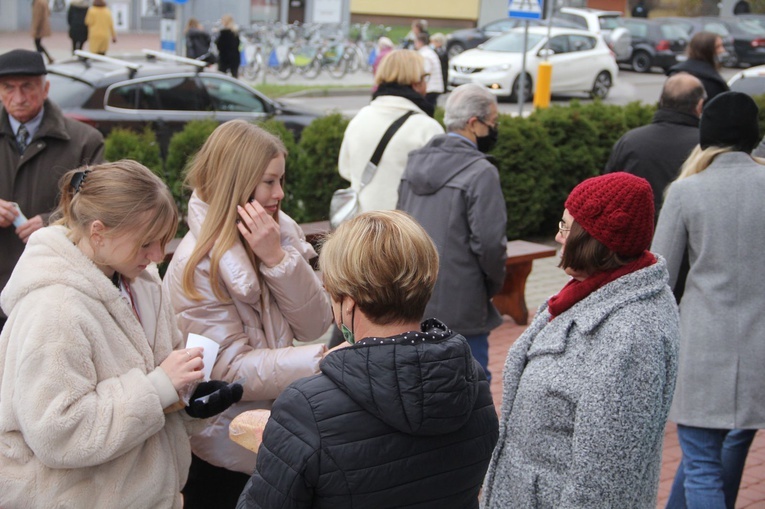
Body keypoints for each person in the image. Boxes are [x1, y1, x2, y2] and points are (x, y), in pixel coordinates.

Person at [0, 160, 242, 507]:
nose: (158, 256)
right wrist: (157, 387)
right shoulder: (53, 309)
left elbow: (158, 386)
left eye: (162, 242)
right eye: (146, 244)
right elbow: (57, 433)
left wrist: (188, 404)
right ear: (98, 232)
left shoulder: (143, 285)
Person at [237, 210, 500, 509]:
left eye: (330, 293)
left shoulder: (306, 407)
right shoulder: (470, 379)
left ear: (349, 303)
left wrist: (277, 451)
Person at [482, 172, 680, 508]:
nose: (558, 238)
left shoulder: (630, 335)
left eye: (564, 227)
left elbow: (606, 481)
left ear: (593, 240)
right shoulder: (588, 292)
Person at [163, 120, 333, 509]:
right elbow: (225, 370)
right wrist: (317, 361)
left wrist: (277, 260)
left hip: (268, 434)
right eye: (269, 182)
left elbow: (315, 323)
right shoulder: (198, 265)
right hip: (223, 447)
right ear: (237, 183)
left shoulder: (276, 235)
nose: (280, 193)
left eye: (281, 180)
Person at [652, 91, 764, 509]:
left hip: (702, 344)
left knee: (700, 464)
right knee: (730, 450)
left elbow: (660, 272)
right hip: (759, 346)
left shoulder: (686, 192)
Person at [397, 83, 506, 383]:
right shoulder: (481, 172)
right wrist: (491, 286)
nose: (494, 130)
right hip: (465, 303)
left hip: (414, 298)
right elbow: (491, 246)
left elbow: (400, 228)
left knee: (421, 384)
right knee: (471, 385)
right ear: (474, 123)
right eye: (493, 123)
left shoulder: (414, 163)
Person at [0, 49, 104, 332]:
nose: (18, 98)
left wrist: (50, 222)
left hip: (52, 289)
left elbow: (93, 204)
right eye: (9, 88)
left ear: (45, 88)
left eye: (28, 87)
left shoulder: (84, 142)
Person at [338, 49, 444, 214]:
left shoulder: (360, 117)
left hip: (361, 224)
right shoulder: (427, 127)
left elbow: (345, 169)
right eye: (425, 78)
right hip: (404, 228)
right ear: (416, 82)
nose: (427, 85)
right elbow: (438, 182)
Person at [605, 72, 706, 217]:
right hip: (686, 234)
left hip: (635, 233)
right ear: (699, 105)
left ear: (662, 101)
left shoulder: (629, 141)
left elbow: (608, 191)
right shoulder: (705, 146)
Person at [667, 32, 729, 103]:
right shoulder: (712, 81)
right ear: (706, 50)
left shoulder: (675, 73)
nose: (722, 50)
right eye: (718, 47)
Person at [414, 32, 445, 107]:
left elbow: (425, 73)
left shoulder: (425, 55)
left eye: (415, 42)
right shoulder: (429, 52)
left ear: (420, 42)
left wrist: (419, 86)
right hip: (435, 86)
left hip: (430, 88)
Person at [216, 14, 241, 79]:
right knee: (234, 77)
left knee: (221, 77)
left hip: (224, 58)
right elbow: (237, 44)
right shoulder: (235, 32)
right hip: (234, 57)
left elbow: (219, 46)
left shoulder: (223, 33)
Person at [31, 0, 54, 64]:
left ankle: (41, 59)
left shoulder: (38, 2)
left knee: (37, 43)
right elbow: (48, 13)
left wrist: (35, 28)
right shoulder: (43, 1)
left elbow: (37, 16)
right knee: (38, 43)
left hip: (39, 27)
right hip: (42, 25)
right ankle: (46, 58)